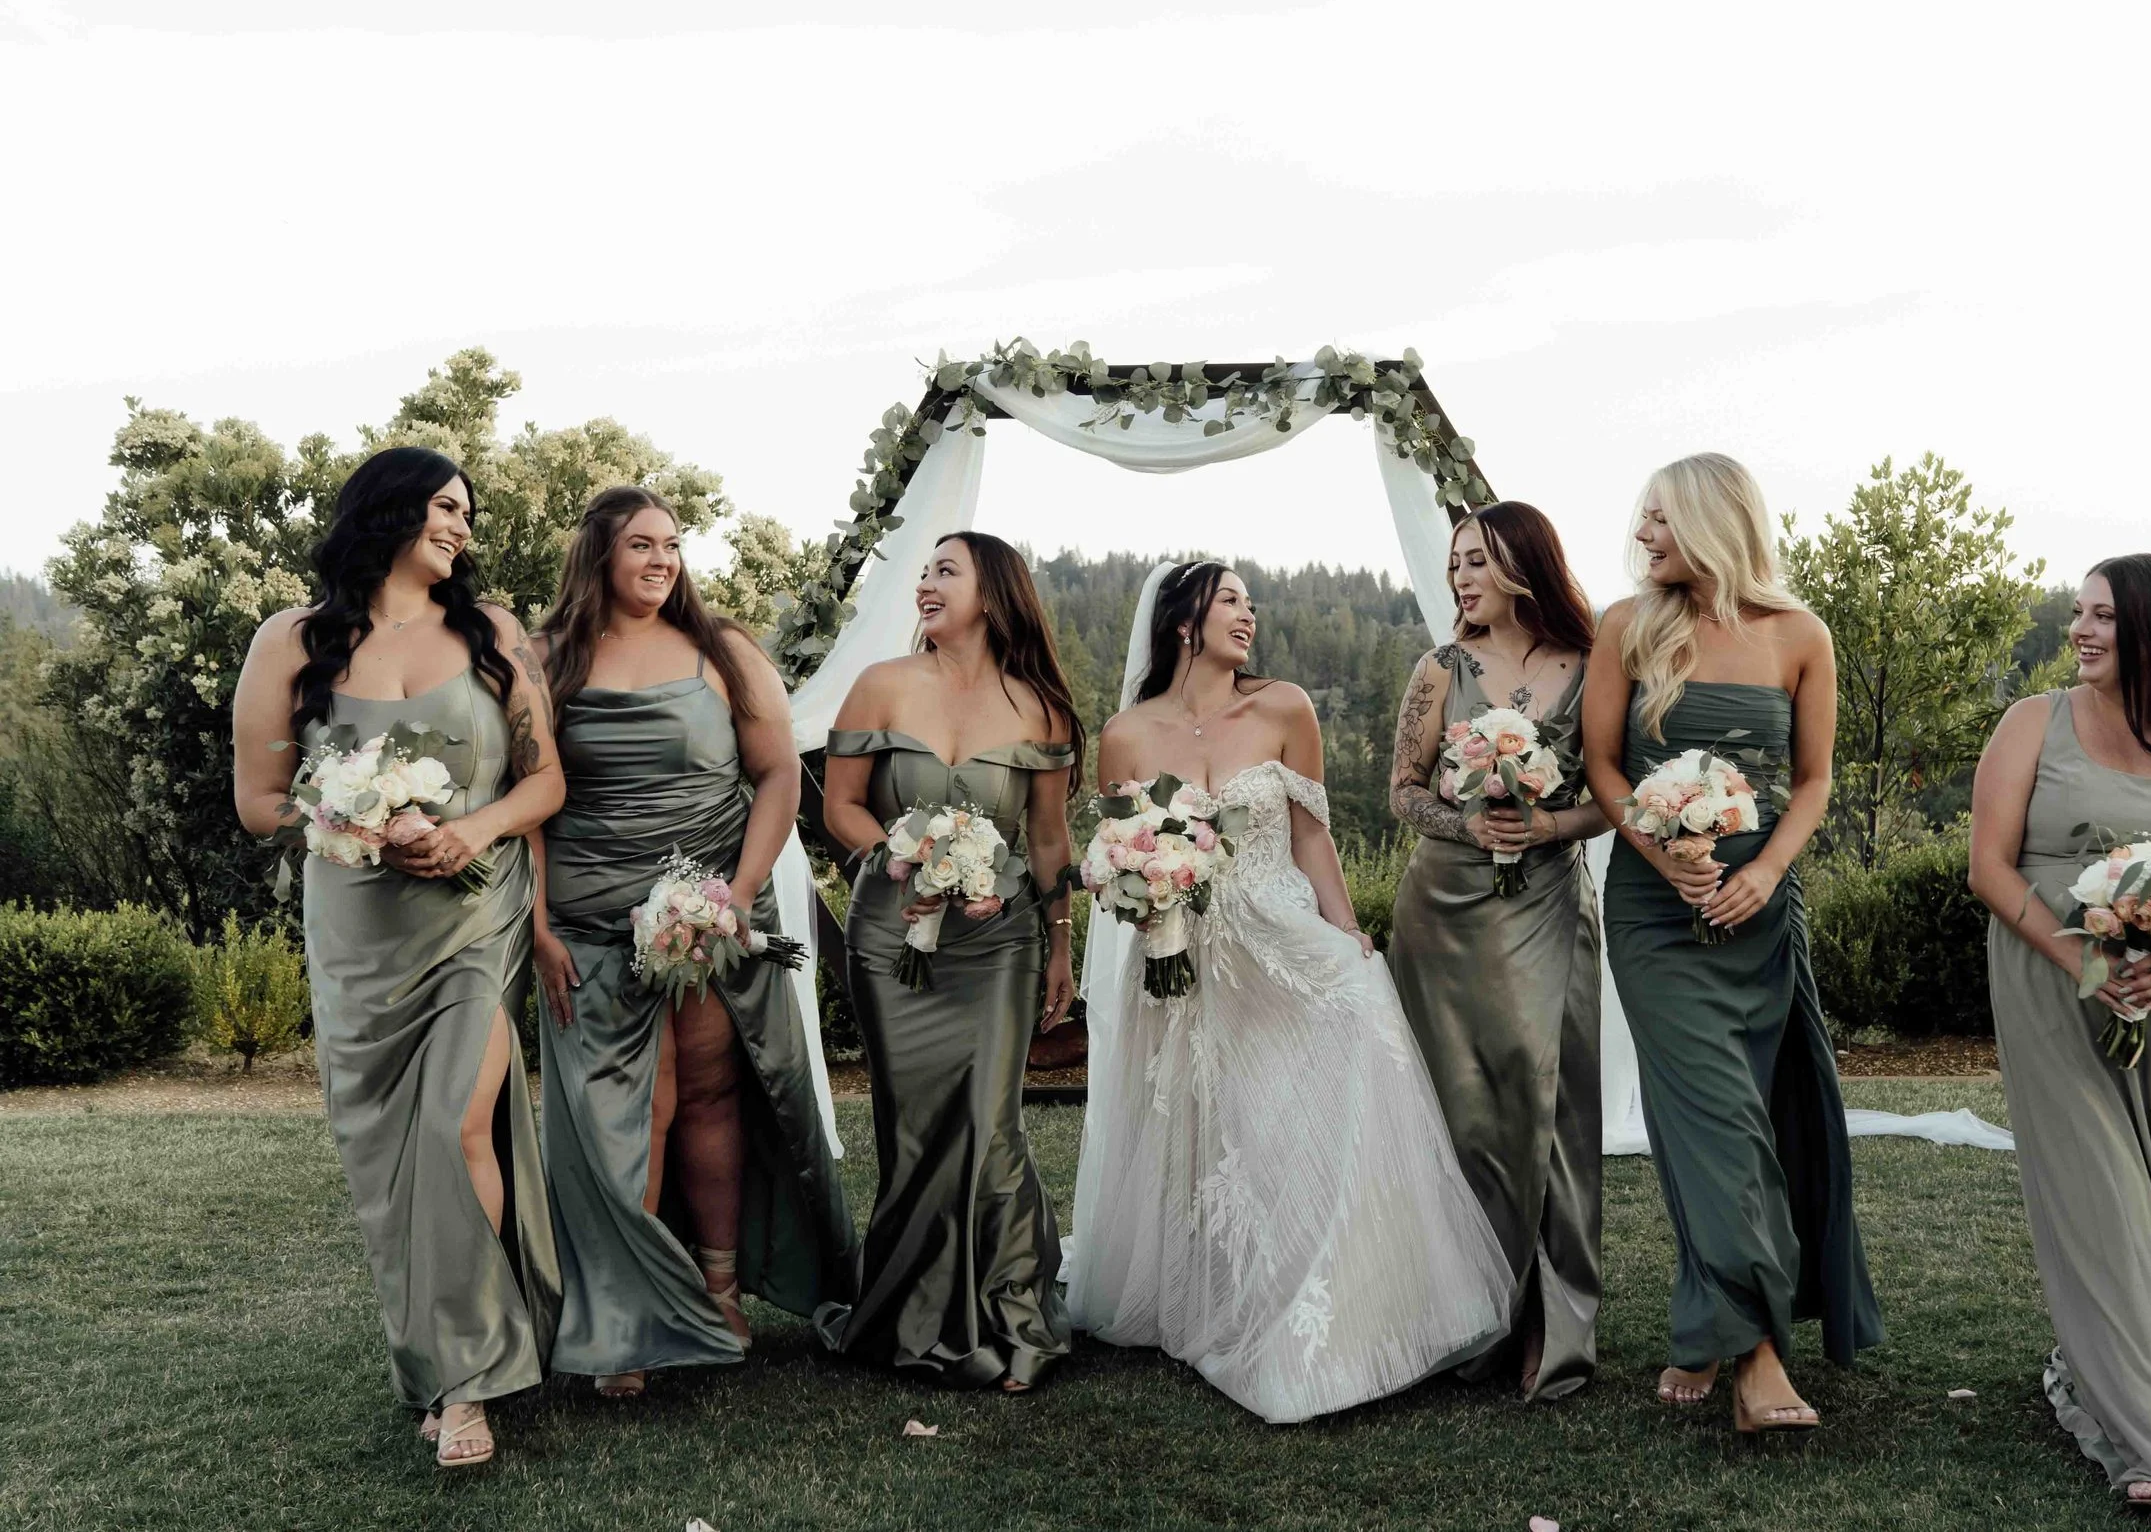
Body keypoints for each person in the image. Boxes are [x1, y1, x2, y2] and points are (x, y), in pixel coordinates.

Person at [1070, 559, 1512, 1423]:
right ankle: (1218, 1293)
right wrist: (1145, 893)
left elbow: (1312, 836)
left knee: (1299, 1107)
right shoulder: (1124, 734)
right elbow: (1117, 858)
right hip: (1183, 959)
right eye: (1232, 600)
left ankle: (1341, 1296)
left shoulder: (1285, 707)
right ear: (1184, 621)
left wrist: (1347, 932)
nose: (1251, 613)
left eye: (1252, 601)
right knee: (1213, 1131)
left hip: (1281, 941)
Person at [230, 446, 564, 1468]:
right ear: (389, 510)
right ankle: (443, 1354)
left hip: (474, 917)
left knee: (457, 1122)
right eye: (446, 507)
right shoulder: (291, 641)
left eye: (467, 513)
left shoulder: (492, 632)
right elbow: (259, 802)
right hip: (360, 932)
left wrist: (471, 830)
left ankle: (468, 1383)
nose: (461, 527)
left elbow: (545, 781)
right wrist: (358, 819)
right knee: (390, 1161)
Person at [528, 486, 860, 1398]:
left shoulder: (725, 650)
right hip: (590, 928)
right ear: (598, 553)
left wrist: (736, 899)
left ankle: (717, 1289)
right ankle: (628, 1311)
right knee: (622, 1114)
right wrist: (538, 924)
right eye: (641, 544)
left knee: (712, 1097)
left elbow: (778, 773)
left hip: (708, 920)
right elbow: (526, 801)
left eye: (672, 544)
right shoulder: (545, 658)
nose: (662, 559)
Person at [1581, 452, 1883, 1433]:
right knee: (1718, 1119)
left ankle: (1708, 1319)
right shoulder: (1625, 627)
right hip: (1655, 915)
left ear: (1713, 523)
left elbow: (1814, 780)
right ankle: (1757, 1358)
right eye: (1644, 518)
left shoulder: (1801, 635)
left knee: (1736, 1118)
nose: (1643, 535)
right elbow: (1600, 763)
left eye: (1660, 518)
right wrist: (1661, 853)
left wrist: (1767, 873)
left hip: (1759, 914)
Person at [1968, 554, 2151, 1513]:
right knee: (2096, 1191)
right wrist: (2089, 966)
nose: (2081, 630)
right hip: (2055, 987)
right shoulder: (2033, 723)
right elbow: (1989, 867)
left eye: (2103, 614)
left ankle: (2121, 1374)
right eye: (2078, 612)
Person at [816, 532, 1079, 1392]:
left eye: (945, 571)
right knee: (913, 1127)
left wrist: (1061, 943)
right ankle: (913, 1312)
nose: (925, 584)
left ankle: (1012, 1314)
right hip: (892, 938)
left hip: (998, 944)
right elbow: (841, 807)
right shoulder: (881, 683)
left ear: (992, 593)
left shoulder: (1038, 706)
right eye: (924, 572)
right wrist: (901, 858)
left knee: (991, 1122)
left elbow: (1047, 838)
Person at [1384, 503, 1608, 1401]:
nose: (1461, 576)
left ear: (1523, 562)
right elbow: (1403, 790)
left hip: (1548, 902)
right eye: (1456, 563)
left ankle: (1553, 1318)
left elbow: (1612, 796)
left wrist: (1547, 825)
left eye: (1477, 559)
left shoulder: (1592, 666)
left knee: (1551, 1098)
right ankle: (1468, 1311)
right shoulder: (1439, 670)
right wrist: (1468, 823)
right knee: (1463, 1111)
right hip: (1444, 914)